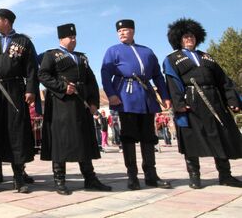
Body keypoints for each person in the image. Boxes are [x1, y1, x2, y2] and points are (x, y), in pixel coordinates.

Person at [163, 18, 242, 189]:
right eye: (185, 37)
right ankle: (194, 176)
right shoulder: (172, 59)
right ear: (179, 39)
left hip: (214, 100)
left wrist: (232, 100)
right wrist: (179, 104)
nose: (189, 39)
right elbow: (172, 82)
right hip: (191, 101)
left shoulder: (207, 57)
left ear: (197, 37)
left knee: (220, 137)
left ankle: (225, 175)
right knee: (192, 139)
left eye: (191, 36)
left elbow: (224, 81)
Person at [39, 23, 111, 195]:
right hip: (61, 104)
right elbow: (43, 75)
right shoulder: (51, 55)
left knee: (84, 139)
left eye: (74, 36)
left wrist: (94, 102)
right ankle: (59, 180)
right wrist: (62, 87)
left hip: (81, 104)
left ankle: (90, 178)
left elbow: (92, 81)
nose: (73, 39)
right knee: (60, 140)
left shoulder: (82, 58)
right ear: (60, 39)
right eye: (70, 37)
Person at [101, 19, 172, 190]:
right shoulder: (113, 51)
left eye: (125, 30)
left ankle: (151, 175)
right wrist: (111, 94)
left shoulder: (146, 51)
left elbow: (158, 76)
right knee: (129, 136)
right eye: (119, 31)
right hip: (125, 96)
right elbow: (105, 73)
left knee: (148, 137)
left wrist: (165, 95)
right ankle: (132, 176)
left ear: (132, 31)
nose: (122, 33)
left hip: (146, 96)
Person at [0, 8, 38, 194]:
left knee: (16, 131)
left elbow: (32, 69)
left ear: (6, 21)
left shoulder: (24, 41)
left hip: (15, 90)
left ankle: (19, 179)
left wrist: (30, 90)